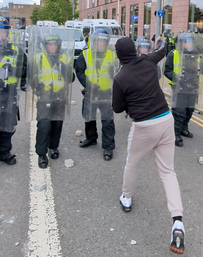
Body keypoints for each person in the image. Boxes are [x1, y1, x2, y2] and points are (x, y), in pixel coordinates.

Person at [112, 36, 185, 254]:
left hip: (144, 126)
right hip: (165, 119)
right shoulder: (146, 60)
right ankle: (178, 221)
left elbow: (117, 109)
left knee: (132, 164)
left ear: (118, 55)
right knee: (168, 171)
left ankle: (126, 198)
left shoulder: (120, 78)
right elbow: (162, 52)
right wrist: (169, 42)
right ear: (134, 50)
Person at [32, 32, 74, 168]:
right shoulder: (38, 58)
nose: (52, 47)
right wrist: (36, 85)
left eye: (55, 44)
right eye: (49, 44)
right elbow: (30, 76)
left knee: (57, 125)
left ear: (59, 45)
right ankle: (41, 154)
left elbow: (71, 78)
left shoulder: (65, 58)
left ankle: (53, 147)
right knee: (44, 126)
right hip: (44, 98)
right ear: (45, 46)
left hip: (59, 97)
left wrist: (66, 69)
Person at [75, 29, 118, 161]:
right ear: (94, 41)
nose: (101, 43)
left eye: (104, 40)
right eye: (99, 40)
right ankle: (91, 138)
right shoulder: (86, 54)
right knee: (89, 117)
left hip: (106, 92)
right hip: (91, 91)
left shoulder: (112, 55)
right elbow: (79, 70)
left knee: (107, 120)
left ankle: (108, 147)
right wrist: (87, 84)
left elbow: (117, 72)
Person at [164, 32, 203, 147]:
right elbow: (167, 70)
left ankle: (184, 128)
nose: (189, 43)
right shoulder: (173, 54)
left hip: (193, 87)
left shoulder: (196, 55)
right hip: (179, 88)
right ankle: (175, 134)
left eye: (190, 41)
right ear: (181, 43)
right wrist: (177, 78)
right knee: (179, 112)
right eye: (186, 41)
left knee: (189, 110)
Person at [0, 17, 24, 165]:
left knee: (8, 125)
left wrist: (26, 81)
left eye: (4, 31)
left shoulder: (15, 49)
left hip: (9, 94)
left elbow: (25, 66)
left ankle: (4, 152)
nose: (1, 35)